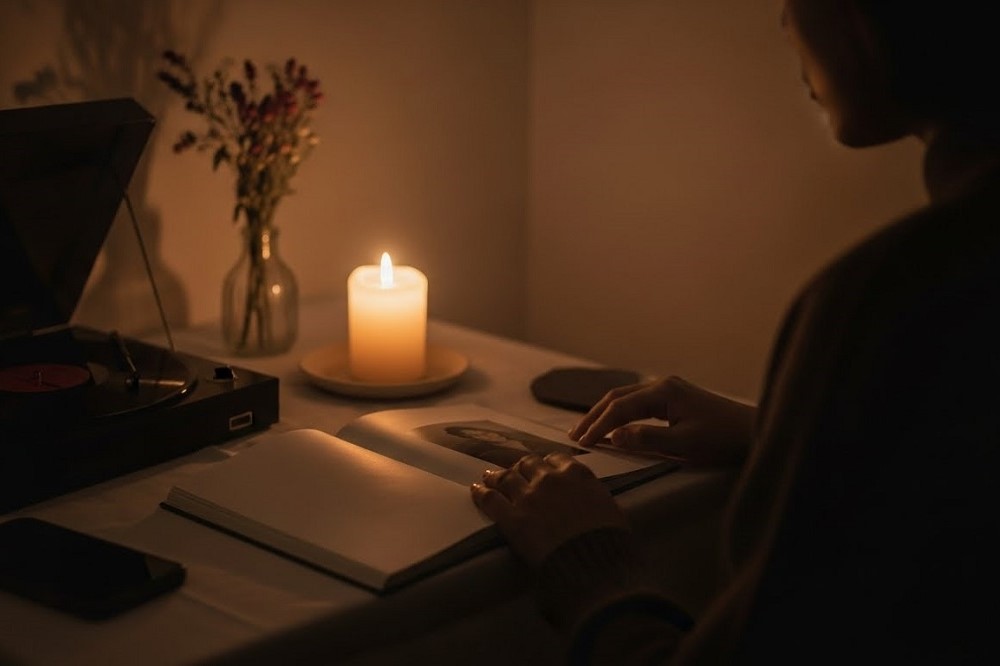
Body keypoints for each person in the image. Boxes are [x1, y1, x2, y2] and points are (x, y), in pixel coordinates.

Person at [470, 1, 1000, 663]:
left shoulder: (900, 298)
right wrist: (779, 430)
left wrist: (592, 568)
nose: (785, 24)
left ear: (865, 22)